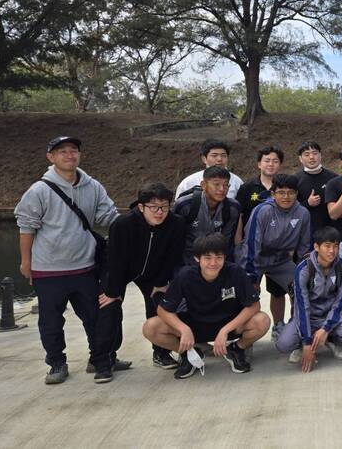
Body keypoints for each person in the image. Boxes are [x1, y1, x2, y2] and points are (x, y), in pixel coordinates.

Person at [14, 136, 120, 385]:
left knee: (95, 317)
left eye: (73, 150)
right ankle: (56, 363)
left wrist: (137, 223)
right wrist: (26, 262)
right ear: (50, 157)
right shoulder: (39, 190)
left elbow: (109, 216)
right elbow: (26, 228)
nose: (69, 155)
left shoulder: (93, 186)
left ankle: (100, 358)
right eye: (62, 151)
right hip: (48, 270)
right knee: (51, 322)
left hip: (85, 267)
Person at [92, 183, 186, 383]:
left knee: (160, 305)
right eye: (154, 207)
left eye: (164, 206)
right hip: (121, 270)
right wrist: (114, 291)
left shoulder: (176, 223)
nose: (159, 212)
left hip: (154, 272)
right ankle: (103, 360)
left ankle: (161, 352)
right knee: (109, 307)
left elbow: (173, 256)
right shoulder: (123, 224)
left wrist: (161, 282)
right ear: (141, 207)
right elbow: (114, 259)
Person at [142, 233, 270, 379]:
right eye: (207, 258)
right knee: (151, 327)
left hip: (229, 324)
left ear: (225, 257)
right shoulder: (186, 276)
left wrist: (225, 330)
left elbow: (254, 305)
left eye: (219, 257)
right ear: (197, 258)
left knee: (262, 320)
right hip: (195, 325)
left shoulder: (235, 272)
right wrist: (183, 329)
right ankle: (189, 354)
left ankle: (236, 349)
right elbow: (163, 310)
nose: (213, 263)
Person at [276, 226, 342, 371]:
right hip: (309, 317)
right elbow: (302, 307)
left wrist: (325, 329)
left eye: (335, 246)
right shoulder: (304, 269)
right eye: (327, 246)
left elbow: (341, 303)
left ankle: (331, 340)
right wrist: (307, 343)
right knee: (283, 344)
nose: (332, 251)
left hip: (330, 317)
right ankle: (301, 345)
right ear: (316, 247)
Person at [241, 173, 311, 340]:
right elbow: (251, 244)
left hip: (281, 260)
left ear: (296, 194)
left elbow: (305, 247)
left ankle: (295, 328)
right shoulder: (262, 210)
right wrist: (251, 276)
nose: (286, 197)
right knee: (247, 294)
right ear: (273, 194)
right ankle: (245, 338)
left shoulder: (302, 213)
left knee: (301, 286)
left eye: (291, 192)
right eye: (281, 192)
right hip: (257, 260)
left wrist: (304, 271)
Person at [173, 166, 241, 266]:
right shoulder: (185, 205)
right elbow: (175, 239)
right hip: (187, 262)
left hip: (215, 263)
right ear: (203, 185)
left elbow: (227, 242)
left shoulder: (233, 208)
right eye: (216, 184)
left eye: (226, 185)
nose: (222, 189)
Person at [294, 141, 337, 240]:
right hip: (304, 232)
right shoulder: (295, 180)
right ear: (300, 158)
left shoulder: (333, 178)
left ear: (320, 155)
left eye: (315, 153)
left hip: (330, 232)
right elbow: (289, 208)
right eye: (306, 154)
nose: (311, 157)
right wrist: (307, 203)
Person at [174, 139, 243, 200]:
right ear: (204, 159)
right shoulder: (189, 182)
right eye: (214, 155)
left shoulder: (237, 182)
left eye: (223, 155)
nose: (219, 159)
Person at [236, 146, 284, 231]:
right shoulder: (247, 187)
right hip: (252, 234)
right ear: (259, 164)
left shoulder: (285, 187)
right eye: (267, 161)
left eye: (275, 161)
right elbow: (239, 215)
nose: (271, 164)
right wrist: (239, 238)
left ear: (280, 165)